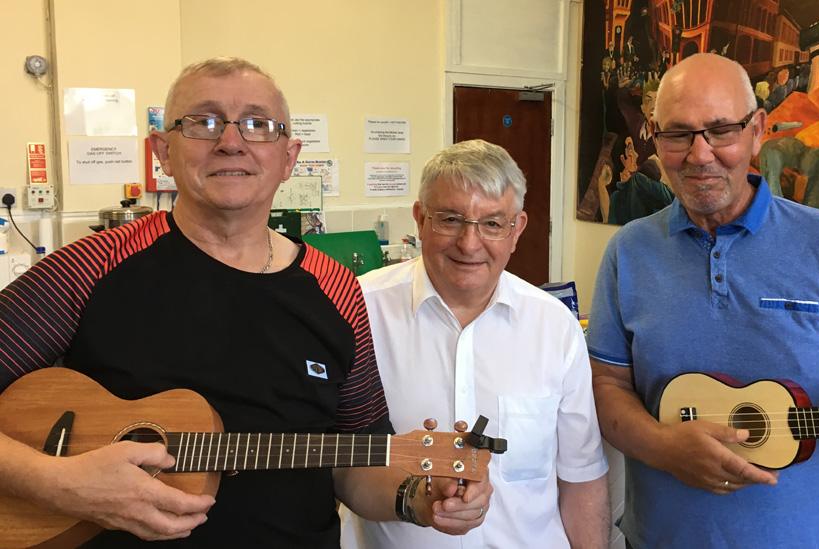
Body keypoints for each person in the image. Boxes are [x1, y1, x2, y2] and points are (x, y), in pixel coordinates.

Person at [0, 57, 489, 548]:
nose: (230, 141)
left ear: (289, 156)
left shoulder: (337, 290)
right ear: (162, 151)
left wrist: (417, 498)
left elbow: (357, 462)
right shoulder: (90, 266)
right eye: (203, 122)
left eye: (258, 125)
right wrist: (59, 484)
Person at [586, 53, 819, 548]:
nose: (700, 155)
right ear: (656, 136)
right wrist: (662, 448)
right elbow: (606, 385)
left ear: (759, 129)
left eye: (722, 130)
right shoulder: (628, 251)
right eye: (678, 134)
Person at [341, 139, 610, 548]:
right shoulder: (357, 313)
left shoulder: (554, 327)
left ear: (517, 229)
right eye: (450, 219)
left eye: (492, 224)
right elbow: (336, 466)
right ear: (420, 219)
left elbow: (582, 477)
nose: (469, 244)